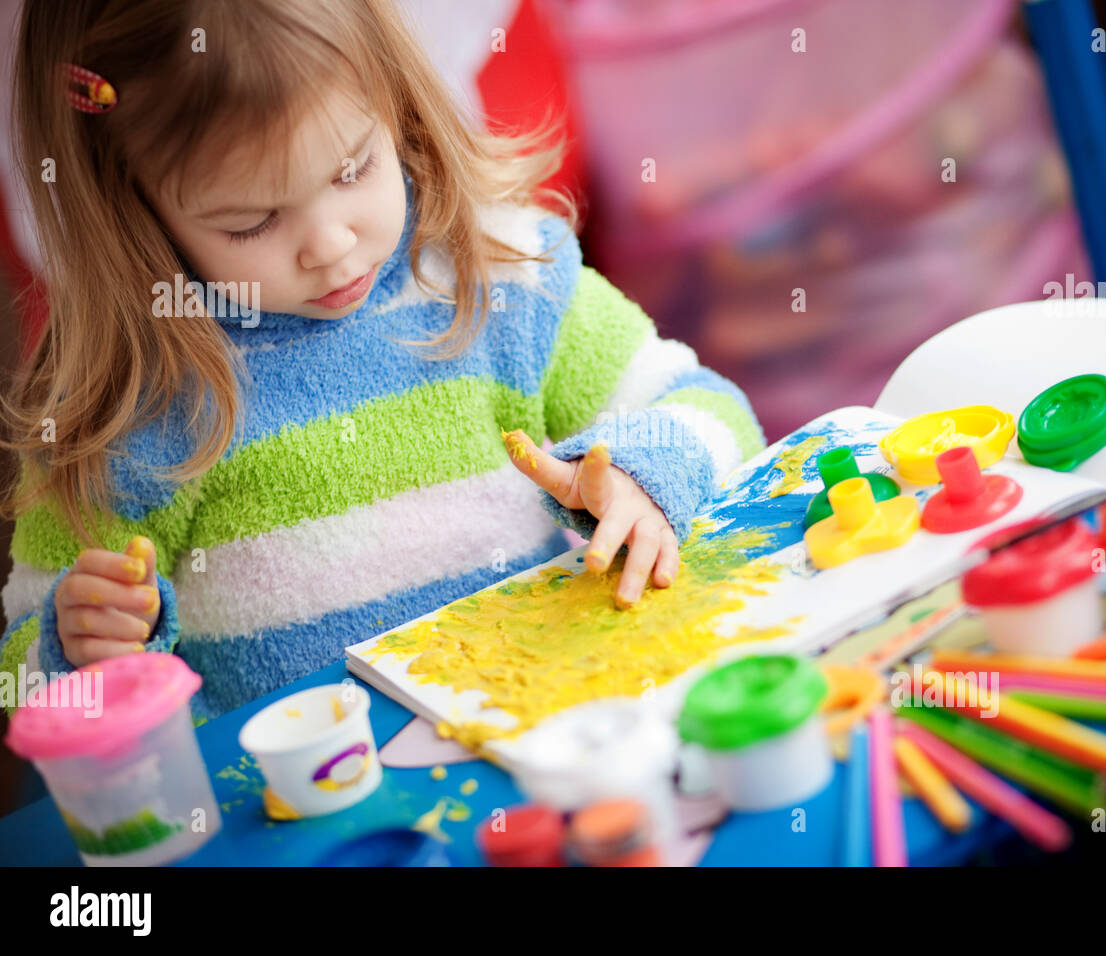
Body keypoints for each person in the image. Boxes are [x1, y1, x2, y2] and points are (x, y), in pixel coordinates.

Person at [0, 0, 763, 720]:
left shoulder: (499, 274)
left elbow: (715, 408)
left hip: (552, 749)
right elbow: (19, 684)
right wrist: (73, 649)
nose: (331, 245)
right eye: (251, 221)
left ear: (395, 104)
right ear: (130, 211)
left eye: (352, 168)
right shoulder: (128, 407)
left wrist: (647, 474)